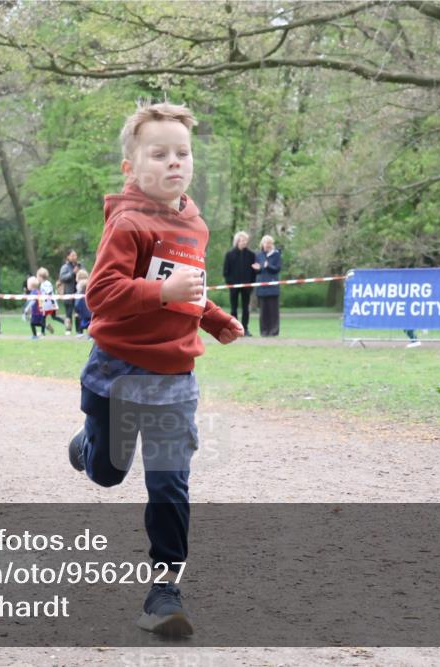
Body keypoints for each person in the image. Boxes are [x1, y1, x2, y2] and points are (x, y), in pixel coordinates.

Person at [66, 101, 243, 637]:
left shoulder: (195, 223)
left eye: (182, 153)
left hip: (174, 378)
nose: (174, 163)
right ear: (131, 167)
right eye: (159, 153)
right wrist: (161, 291)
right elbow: (101, 295)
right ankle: (86, 446)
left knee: (169, 485)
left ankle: (164, 590)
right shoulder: (127, 222)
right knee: (108, 472)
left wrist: (211, 318)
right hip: (117, 373)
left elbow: (189, 289)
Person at [223, 231, 257, 336]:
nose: (245, 242)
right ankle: (234, 329)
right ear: (237, 241)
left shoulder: (251, 255)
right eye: (243, 240)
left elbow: (254, 272)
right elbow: (225, 271)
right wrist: (230, 283)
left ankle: (245, 329)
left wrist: (251, 284)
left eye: (246, 240)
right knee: (233, 308)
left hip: (247, 286)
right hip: (233, 286)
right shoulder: (229, 255)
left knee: (245, 308)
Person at [254, 235, 282, 337]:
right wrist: (257, 269)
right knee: (263, 312)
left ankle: (274, 331)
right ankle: (264, 332)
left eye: (269, 243)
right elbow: (258, 270)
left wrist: (268, 266)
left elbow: (278, 269)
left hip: (273, 287)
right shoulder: (258, 255)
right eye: (266, 243)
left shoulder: (276, 255)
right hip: (261, 287)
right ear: (262, 244)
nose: (267, 245)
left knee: (273, 311)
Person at [59, 250, 84, 334]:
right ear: (68, 257)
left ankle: (79, 331)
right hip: (68, 293)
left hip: (79, 292)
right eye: (72, 255)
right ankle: (68, 330)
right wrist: (73, 273)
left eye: (75, 255)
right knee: (68, 313)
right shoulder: (65, 267)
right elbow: (62, 278)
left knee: (79, 312)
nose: (74, 257)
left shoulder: (80, 266)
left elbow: (85, 275)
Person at [37, 267, 66, 334]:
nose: (37, 278)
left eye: (38, 276)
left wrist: (46, 297)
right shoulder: (45, 283)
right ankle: (65, 322)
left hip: (47, 304)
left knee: (42, 319)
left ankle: (43, 331)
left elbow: (49, 292)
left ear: (41, 276)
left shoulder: (45, 284)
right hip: (51, 304)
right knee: (54, 317)